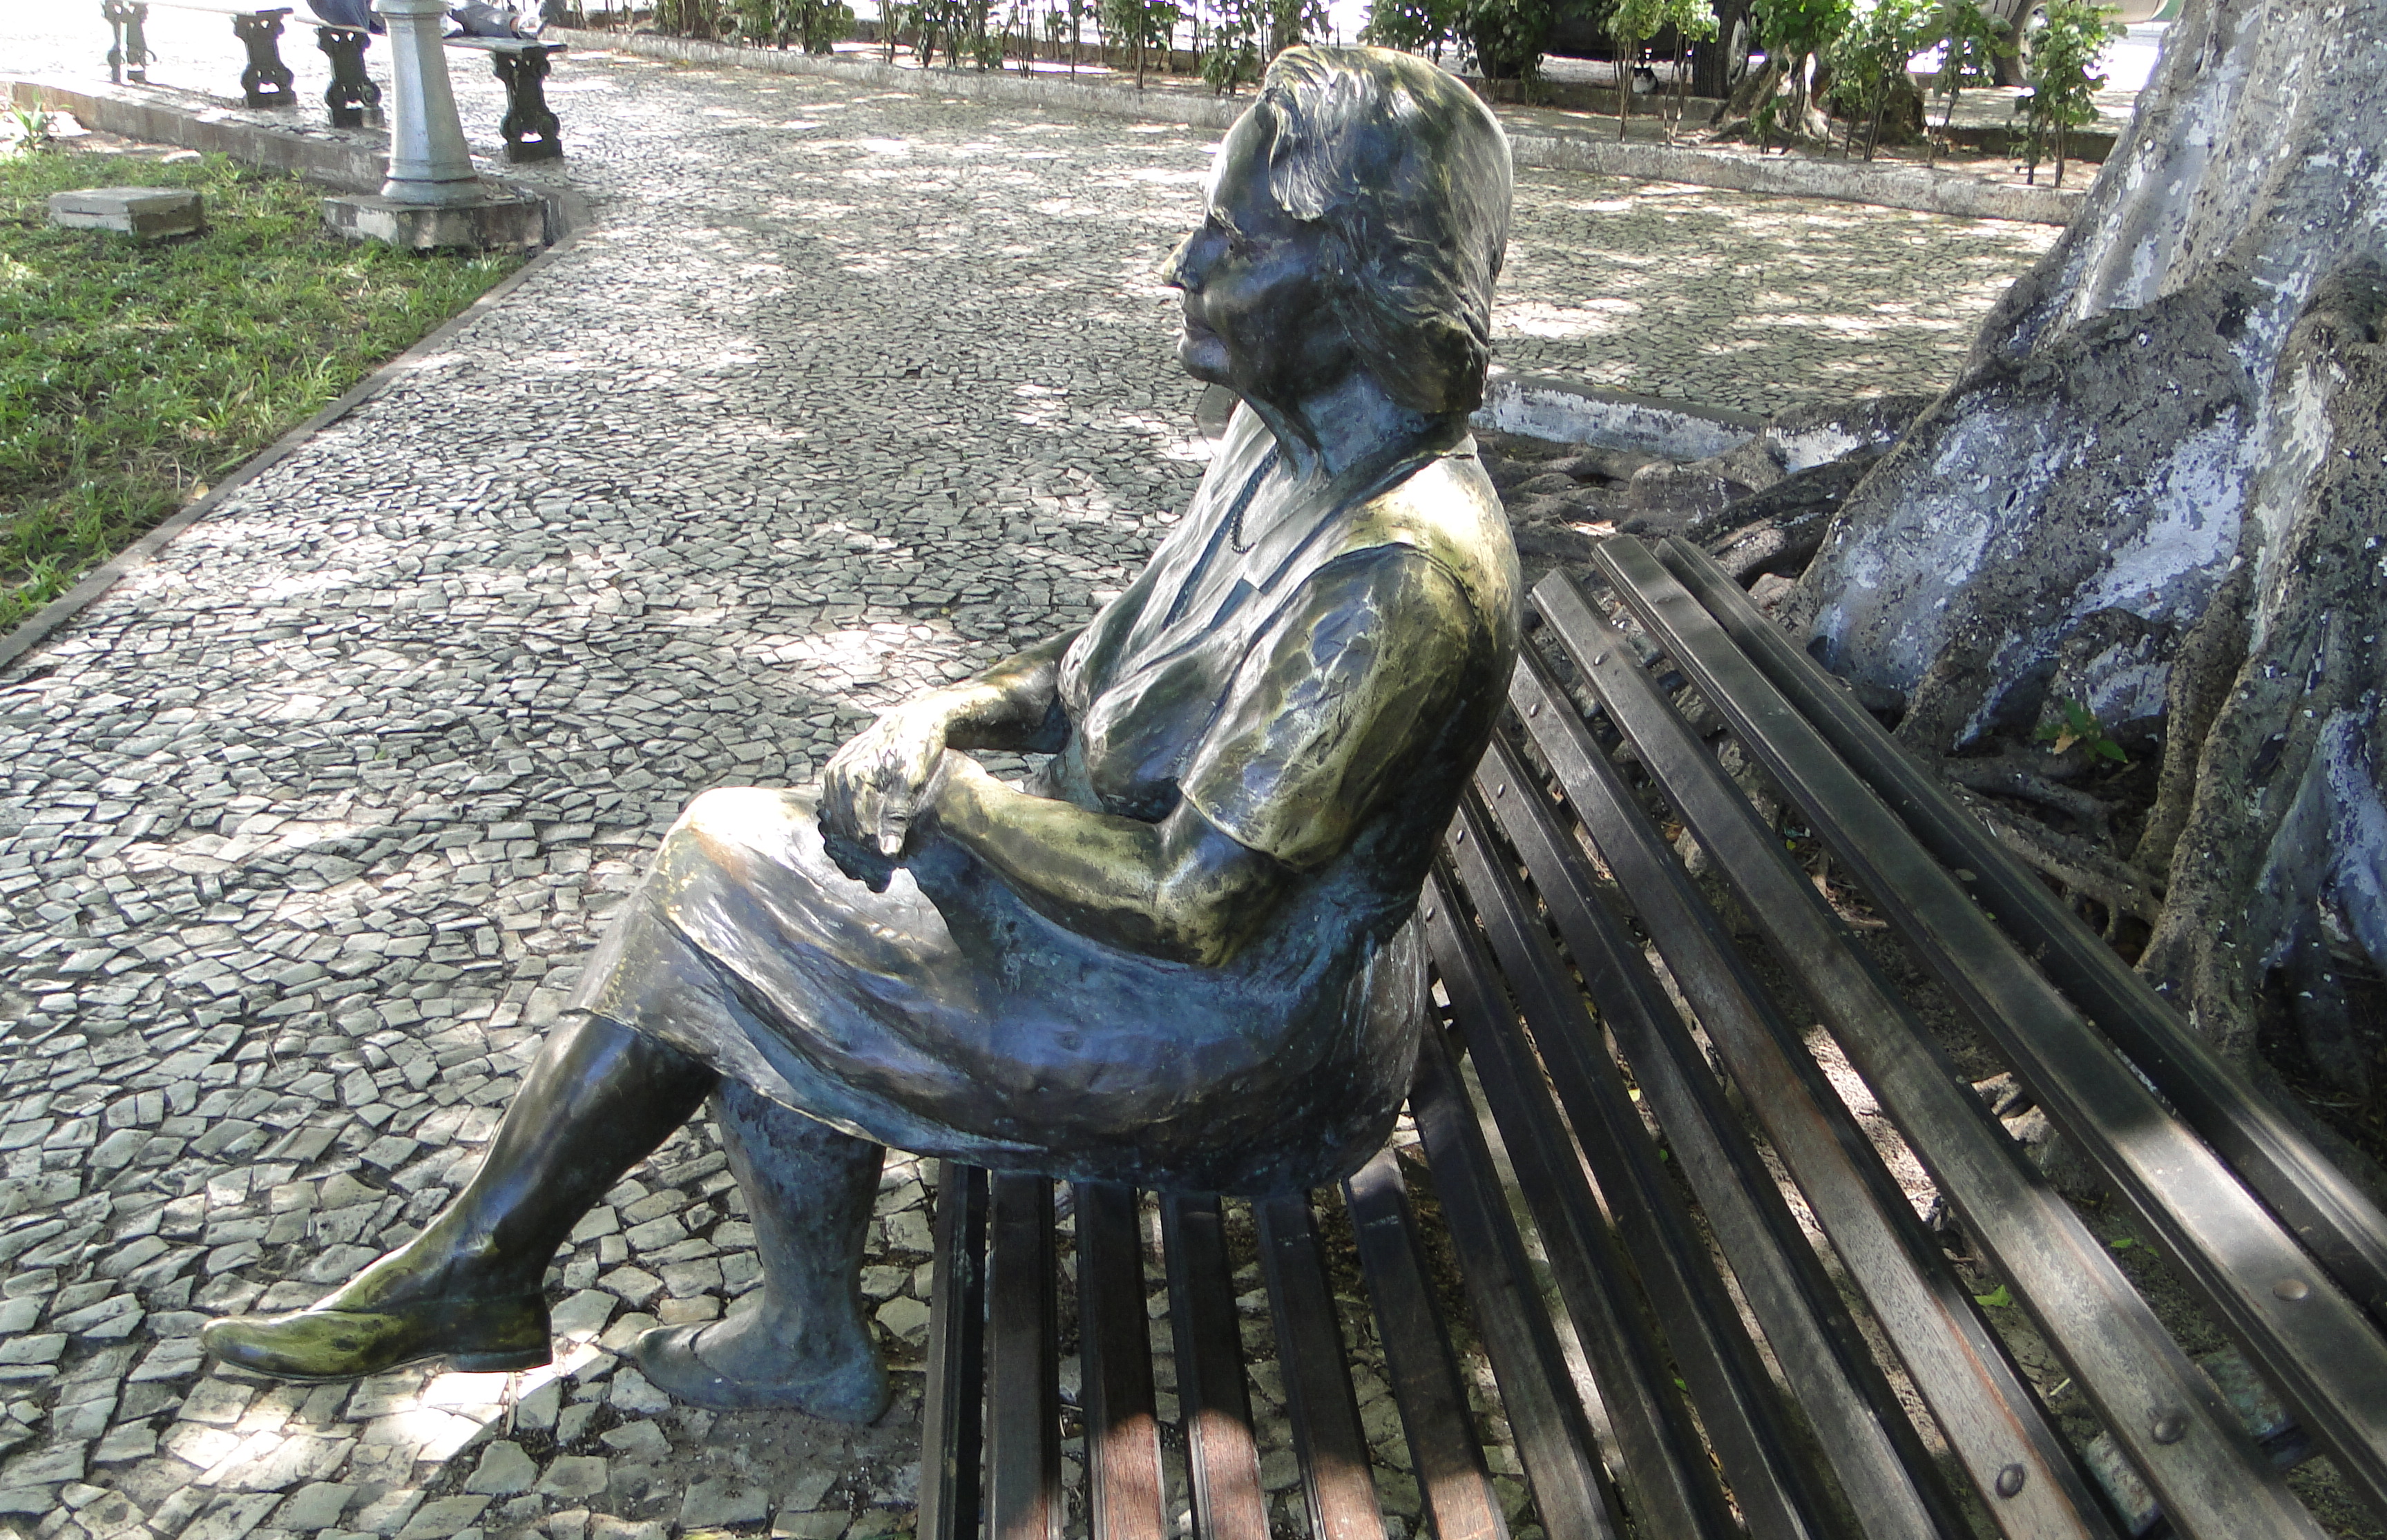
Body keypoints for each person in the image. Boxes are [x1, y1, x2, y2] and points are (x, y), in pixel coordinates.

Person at [202, 45, 1521, 1420]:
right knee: (772, 882)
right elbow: (1085, 675)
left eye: (1231, 239)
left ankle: (530, 1274)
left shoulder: (1399, 571)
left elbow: (1198, 906)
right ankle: (701, 1309)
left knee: (740, 882)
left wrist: (951, 803)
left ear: (1361, 283)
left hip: (1246, 1038)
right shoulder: (1287, 444)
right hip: (1146, 932)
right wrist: (934, 713)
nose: (1182, 263)